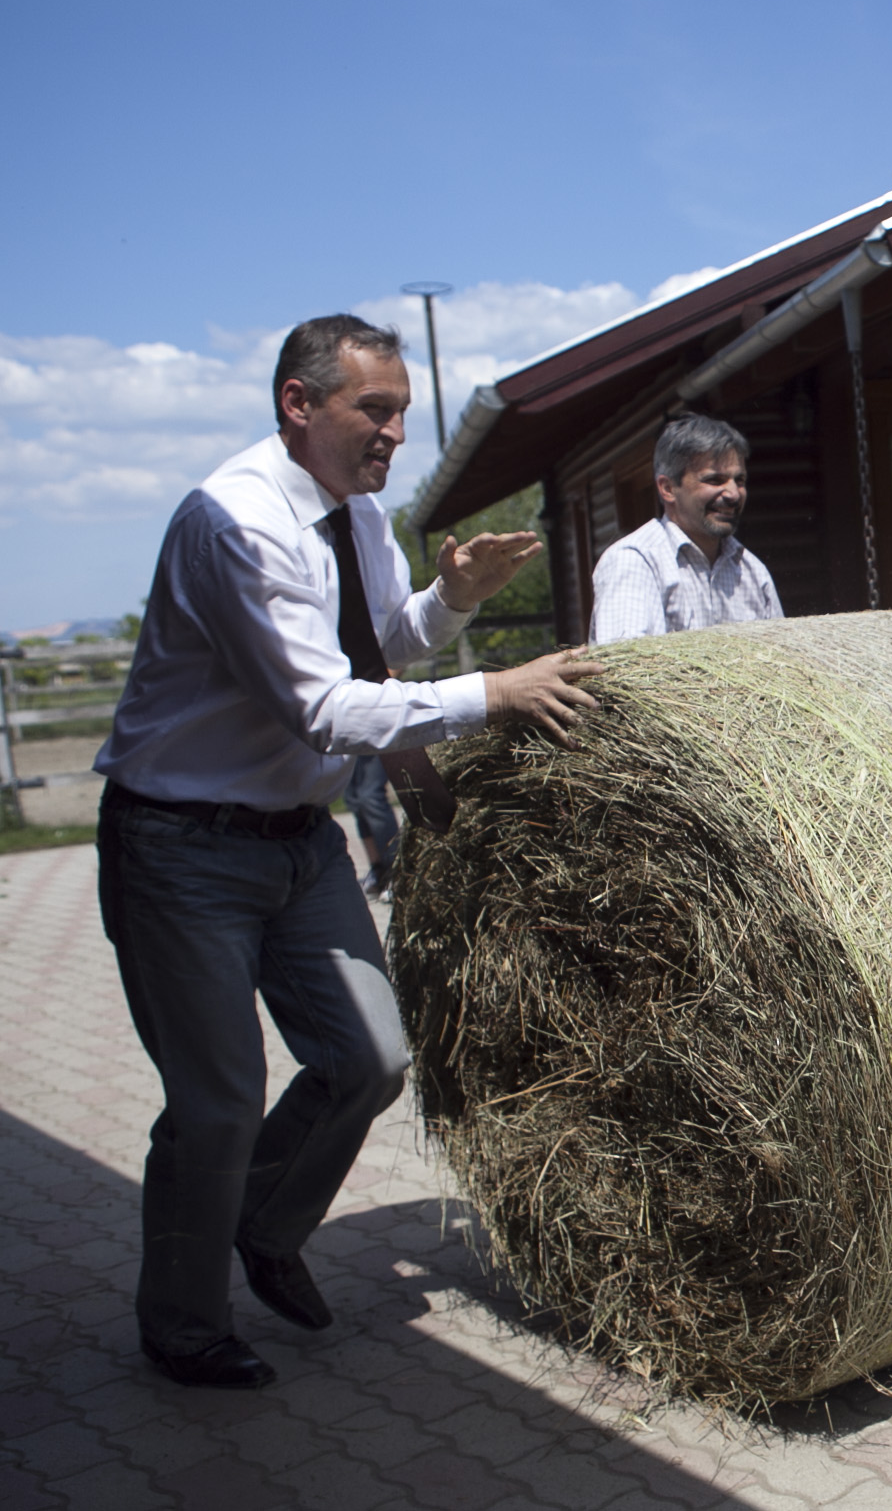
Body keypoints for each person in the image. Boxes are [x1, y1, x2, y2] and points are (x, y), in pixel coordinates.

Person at [95, 314, 604, 1389]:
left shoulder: (357, 516)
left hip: (296, 841)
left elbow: (378, 651)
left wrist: (455, 598)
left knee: (371, 1055)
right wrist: (496, 694)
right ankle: (183, 1323)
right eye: (375, 411)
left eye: (403, 414)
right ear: (298, 404)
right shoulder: (236, 524)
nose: (395, 435)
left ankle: (264, 1224)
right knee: (219, 1099)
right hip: (183, 847)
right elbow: (324, 706)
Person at [590, 414, 782, 643]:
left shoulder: (752, 572)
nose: (733, 494)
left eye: (739, 481)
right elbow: (626, 671)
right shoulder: (636, 562)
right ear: (668, 488)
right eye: (715, 480)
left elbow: (782, 664)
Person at [341, 753, 398, 898]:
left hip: (371, 734)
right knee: (354, 799)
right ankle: (378, 870)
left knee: (370, 796)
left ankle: (397, 871)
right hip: (345, 735)